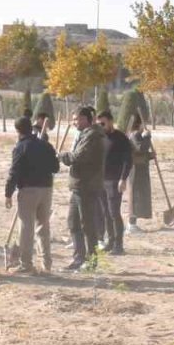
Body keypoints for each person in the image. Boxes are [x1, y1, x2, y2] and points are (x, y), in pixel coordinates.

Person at [5, 117, 60, 273]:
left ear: (18, 131)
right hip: (46, 189)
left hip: (29, 190)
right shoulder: (46, 145)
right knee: (43, 227)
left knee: (26, 228)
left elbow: (14, 172)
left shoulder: (20, 147)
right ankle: (46, 264)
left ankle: (26, 264)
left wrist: (8, 193)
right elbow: (55, 168)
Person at [59, 106, 106, 271]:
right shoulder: (84, 134)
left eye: (77, 119)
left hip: (87, 185)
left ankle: (91, 261)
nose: (74, 122)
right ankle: (78, 258)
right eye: (73, 119)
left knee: (87, 225)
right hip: (78, 186)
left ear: (87, 119)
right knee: (73, 222)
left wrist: (62, 156)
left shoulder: (92, 135)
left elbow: (78, 156)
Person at [97, 111, 133, 255]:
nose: (101, 126)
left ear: (111, 121)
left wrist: (123, 179)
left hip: (114, 181)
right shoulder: (99, 137)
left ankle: (119, 245)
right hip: (100, 180)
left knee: (114, 213)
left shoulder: (121, 138)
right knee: (105, 212)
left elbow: (127, 160)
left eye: (103, 123)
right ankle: (111, 241)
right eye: (99, 123)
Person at [126, 114, 154, 233]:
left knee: (138, 195)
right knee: (135, 195)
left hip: (138, 168)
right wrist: (147, 137)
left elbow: (141, 154)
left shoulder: (133, 134)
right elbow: (140, 149)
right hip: (135, 169)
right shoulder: (135, 134)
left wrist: (150, 156)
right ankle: (131, 224)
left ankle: (133, 222)